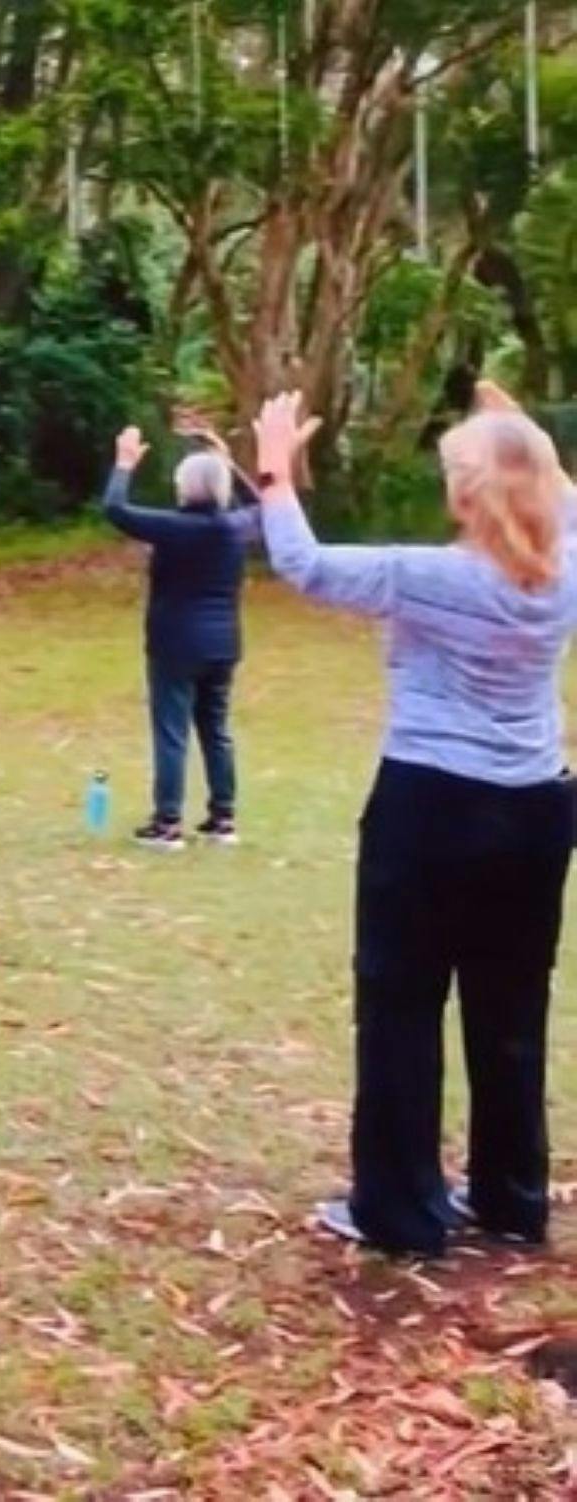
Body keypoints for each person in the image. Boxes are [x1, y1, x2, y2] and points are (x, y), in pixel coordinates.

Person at [254, 384, 577, 1258]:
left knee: (401, 1003)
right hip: (538, 810)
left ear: (469, 497)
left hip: (431, 808)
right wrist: (527, 438)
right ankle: (511, 1200)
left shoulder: (431, 577)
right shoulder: (567, 567)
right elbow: (566, 498)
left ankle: (400, 1211)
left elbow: (307, 567)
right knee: (511, 1005)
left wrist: (274, 463)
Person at [105, 422, 261, 849]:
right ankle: (222, 818)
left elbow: (116, 509)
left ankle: (168, 823)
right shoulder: (235, 527)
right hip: (222, 645)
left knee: (172, 731)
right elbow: (265, 505)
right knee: (215, 729)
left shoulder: (173, 527)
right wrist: (227, 459)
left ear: (185, 488)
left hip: (174, 644)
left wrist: (123, 464)